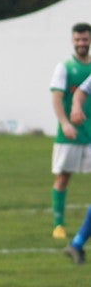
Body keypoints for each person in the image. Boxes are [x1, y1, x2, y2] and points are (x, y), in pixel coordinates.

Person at [49, 22, 91, 263]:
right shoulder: (65, 67)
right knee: (63, 177)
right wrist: (66, 122)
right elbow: (60, 97)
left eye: (85, 39)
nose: (81, 43)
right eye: (78, 39)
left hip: (90, 133)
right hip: (71, 134)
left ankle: (76, 243)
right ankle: (59, 224)